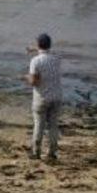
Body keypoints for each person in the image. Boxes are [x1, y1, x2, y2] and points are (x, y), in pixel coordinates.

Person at [27, 33, 62, 161]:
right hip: (56, 96)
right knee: (53, 125)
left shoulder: (35, 61)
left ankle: (36, 152)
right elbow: (47, 51)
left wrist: (26, 78)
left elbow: (33, 82)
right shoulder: (57, 58)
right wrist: (35, 48)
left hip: (42, 97)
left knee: (39, 125)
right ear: (50, 45)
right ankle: (52, 152)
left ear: (38, 45)